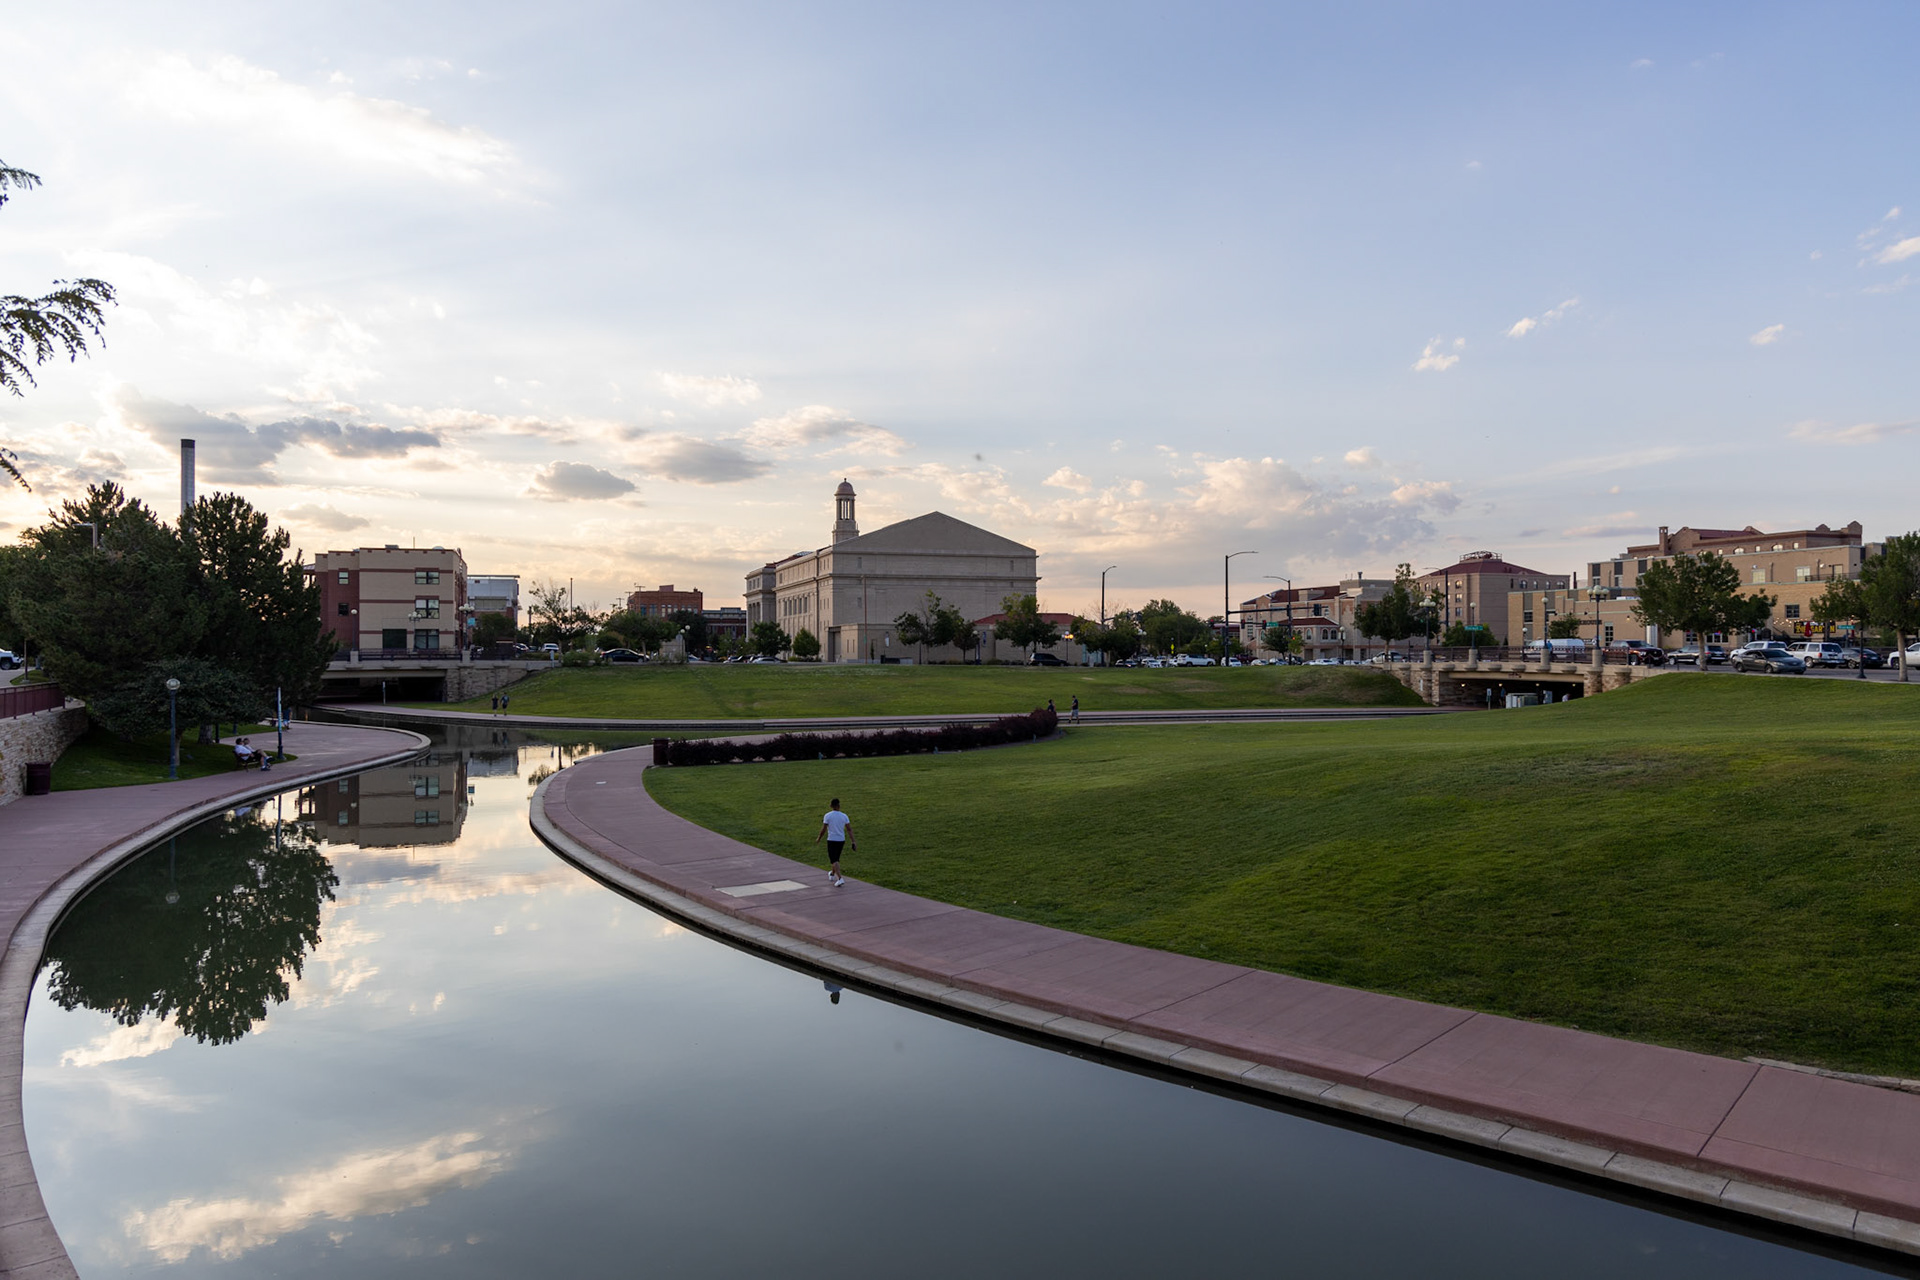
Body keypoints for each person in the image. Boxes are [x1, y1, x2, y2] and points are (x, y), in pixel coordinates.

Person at [814, 798, 854, 886]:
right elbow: (849, 829)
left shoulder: (828, 816)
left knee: (834, 859)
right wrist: (853, 841)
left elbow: (823, 829)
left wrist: (819, 838)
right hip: (841, 840)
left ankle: (840, 878)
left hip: (832, 840)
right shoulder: (844, 816)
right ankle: (832, 874)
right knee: (835, 859)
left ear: (831, 806)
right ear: (839, 806)